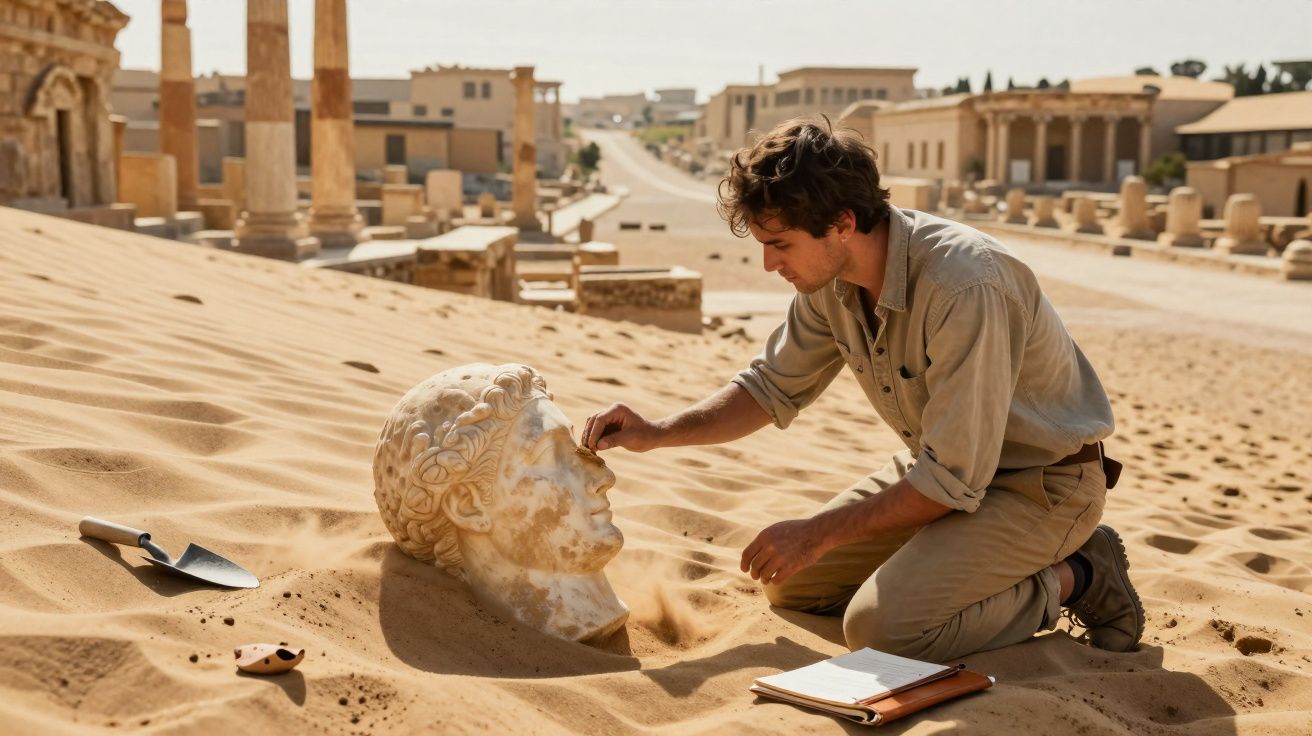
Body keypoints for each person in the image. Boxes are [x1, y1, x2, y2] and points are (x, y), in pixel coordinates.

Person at [581, 116, 1144, 662]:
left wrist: (816, 533)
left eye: (780, 244)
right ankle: (944, 571)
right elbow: (768, 387)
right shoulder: (830, 280)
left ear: (843, 223)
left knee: (881, 629)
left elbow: (952, 478)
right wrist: (657, 433)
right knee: (791, 585)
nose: (767, 264)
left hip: (1042, 485)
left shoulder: (965, 285)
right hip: (947, 476)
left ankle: (1082, 575)